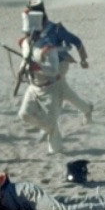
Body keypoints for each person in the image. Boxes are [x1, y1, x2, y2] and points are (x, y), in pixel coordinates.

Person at [25, 0, 94, 124]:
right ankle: (86, 109)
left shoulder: (56, 29)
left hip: (59, 65)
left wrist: (83, 59)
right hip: (42, 64)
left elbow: (76, 41)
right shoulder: (32, 29)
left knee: (54, 88)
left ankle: (50, 121)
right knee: (63, 91)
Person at [16, 8, 67, 153]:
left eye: (32, 33)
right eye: (27, 33)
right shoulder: (25, 43)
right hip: (33, 87)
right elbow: (25, 59)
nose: (29, 36)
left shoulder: (48, 47)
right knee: (24, 114)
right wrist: (21, 71)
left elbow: (54, 70)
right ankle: (49, 129)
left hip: (50, 88)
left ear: (39, 32)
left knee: (51, 124)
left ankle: (56, 148)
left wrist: (38, 67)